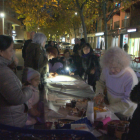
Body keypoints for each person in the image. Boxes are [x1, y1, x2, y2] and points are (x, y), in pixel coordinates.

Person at [94, 47, 138, 119]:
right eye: (110, 67)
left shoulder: (130, 77)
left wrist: (108, 108)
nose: (112, 70)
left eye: (115, 67)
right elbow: (101, 82)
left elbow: (128, 102)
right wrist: (99, 93)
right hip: (112, 109)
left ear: (122, 64)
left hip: (125, 114)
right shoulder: (106, 69)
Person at [0, 35, 32, 127]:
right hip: (10, 123)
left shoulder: (4, 69)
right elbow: (17, 98)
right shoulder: (3, 71)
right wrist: (28, 89)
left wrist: (13, 65)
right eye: (11, 50)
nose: (13, 53)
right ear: (1, 52)